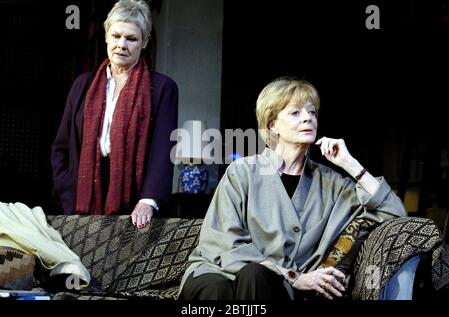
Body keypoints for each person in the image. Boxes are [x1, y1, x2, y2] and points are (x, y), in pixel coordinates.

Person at [178, 77, 407, 300]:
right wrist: (292, 275)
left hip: (269, 284)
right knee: (218, 288)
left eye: (312, 112)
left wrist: (350, 164)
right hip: (218, 268)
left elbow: (394, 213)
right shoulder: (243, 171)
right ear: (272, 124)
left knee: (255, 275)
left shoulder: (332, 184)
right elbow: (223, 241)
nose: (308, 118)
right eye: (296, 112)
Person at [51, 0, 178, 229]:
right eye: (116, 35)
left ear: (145, 42)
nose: (122, 45)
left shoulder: (162, 89)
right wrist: (69, 198)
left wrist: (147, 202)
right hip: (81, 202)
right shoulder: (83, 85)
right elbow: (61, 147)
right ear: (106, 36)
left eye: (131, 38)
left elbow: (163, 150)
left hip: (135, 207)